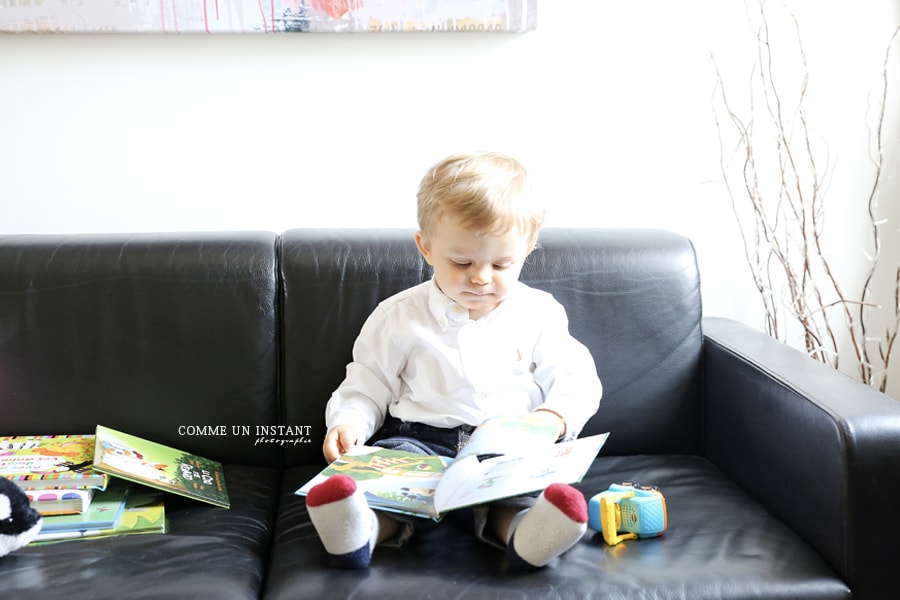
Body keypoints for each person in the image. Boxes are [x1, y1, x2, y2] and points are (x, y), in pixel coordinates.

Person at [305, 151, 602, 570]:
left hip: (506, 444)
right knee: (391, 493)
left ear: (529, 249)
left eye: (501, 264)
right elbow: (367, 383)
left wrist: (555, 416)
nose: (481, 277)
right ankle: (360, 531)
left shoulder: (540, 312)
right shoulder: (398, 316)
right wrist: (348, 424)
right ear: (426, 247)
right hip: (418, 440)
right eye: (461, 262)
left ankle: (527, 535)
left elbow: (576, 375)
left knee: (515, 497)